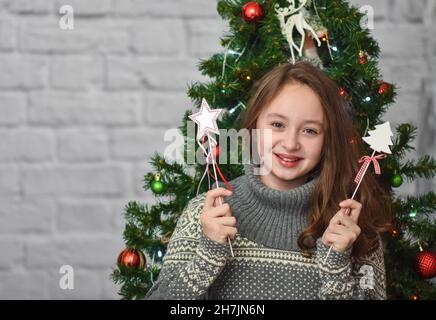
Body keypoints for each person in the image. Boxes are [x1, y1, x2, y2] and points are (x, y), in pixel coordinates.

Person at [145, 61, 392, 300]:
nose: (291, 143)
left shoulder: (352, 228)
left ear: (327, 141)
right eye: (277, 124)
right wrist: (207, 255)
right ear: (253, 127)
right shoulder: (207, 213)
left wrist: (337, 269)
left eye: (310, 130)